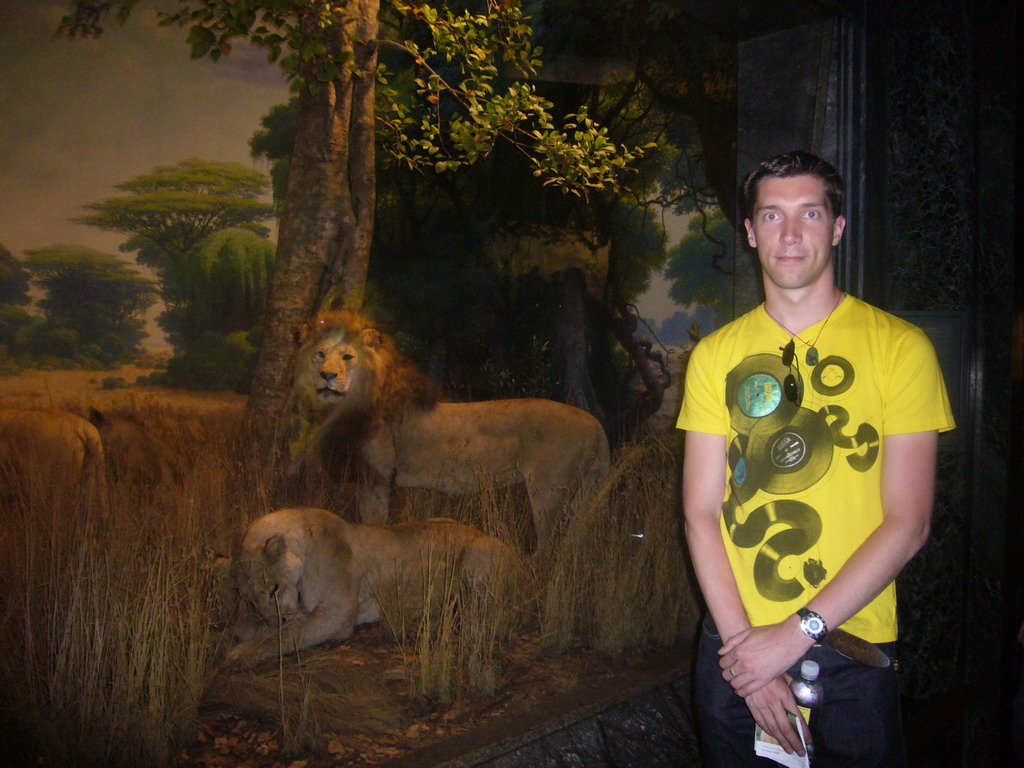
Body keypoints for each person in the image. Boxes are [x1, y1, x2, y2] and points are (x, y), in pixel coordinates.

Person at [677, 150, 954, 767]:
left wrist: (794, 635)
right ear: (750, 232)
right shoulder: (715, 356)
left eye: (810, 213)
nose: (791, 233)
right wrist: (749, 654)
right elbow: (700, 512)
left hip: (850, 651)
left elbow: (908, 522)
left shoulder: (902, 349)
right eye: (772, 215)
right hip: (736, 648)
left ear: (837, 226)